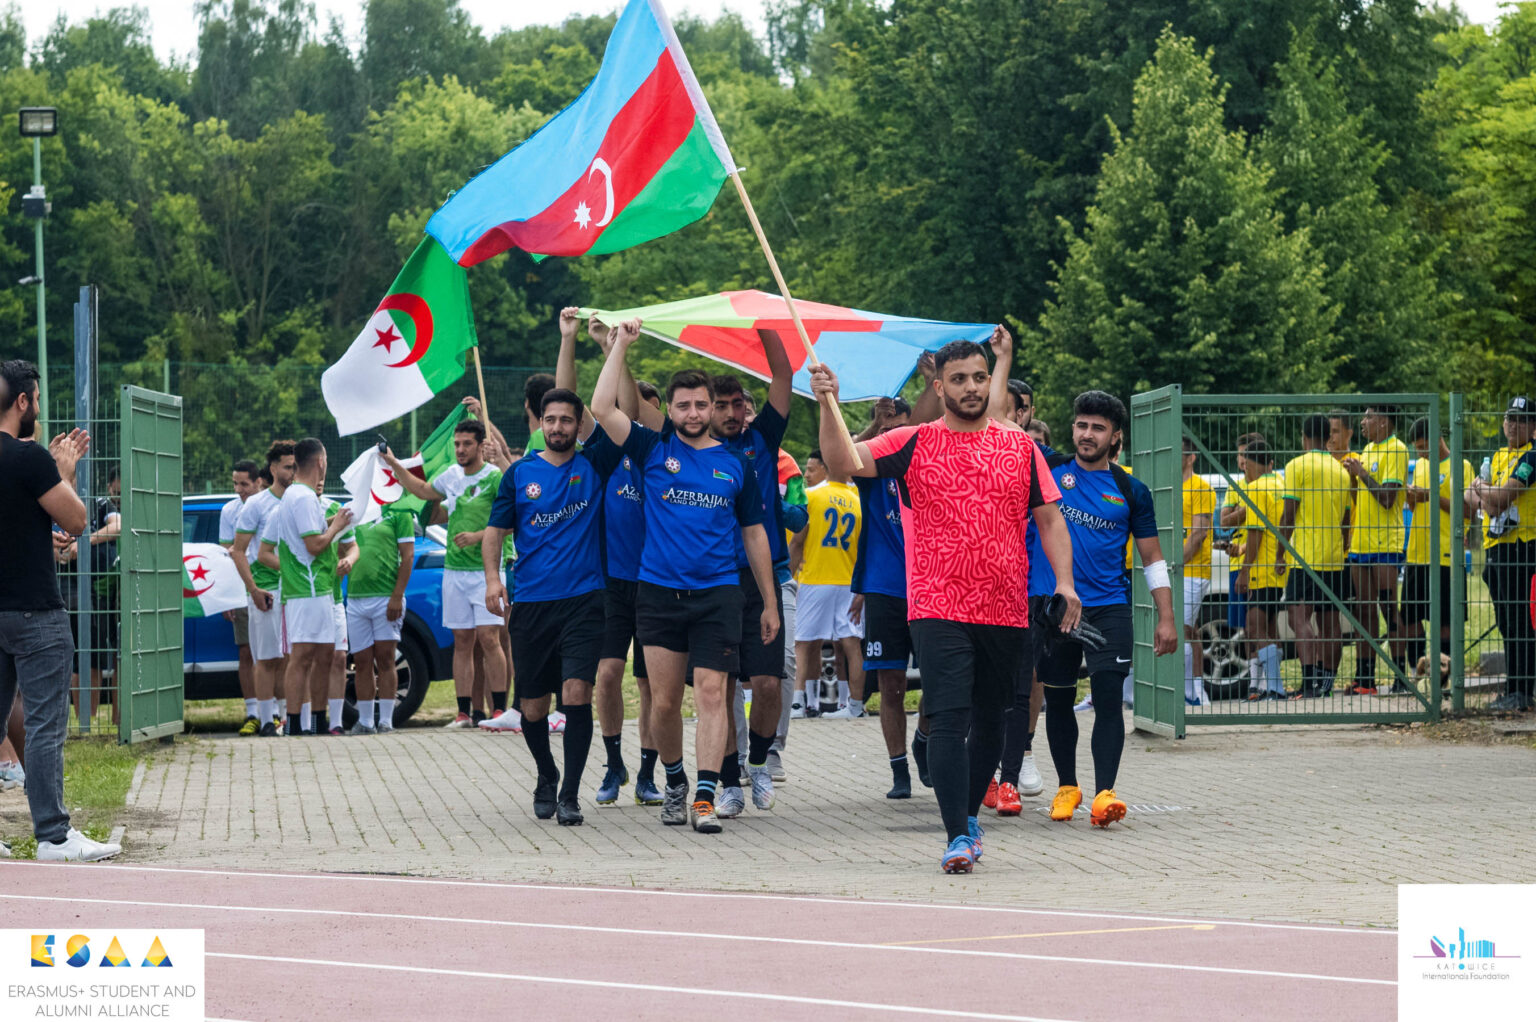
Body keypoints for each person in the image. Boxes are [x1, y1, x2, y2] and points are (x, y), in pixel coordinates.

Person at [810, 337, 1079, 875]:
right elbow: (843, 462)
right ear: (939, 386)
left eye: (980, 377)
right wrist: (827, 403)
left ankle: (968, 820)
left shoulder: (1020, 446)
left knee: (992, 719)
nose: (972, 388)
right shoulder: (911, 441)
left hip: (1004, 607)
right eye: (959, 379)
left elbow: (1050, 518)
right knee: (950, 715)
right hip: (936, 604)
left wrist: (1066, 584)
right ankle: (957, 832)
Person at [592, 321, 780, 834]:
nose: (694, 414)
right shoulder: (652, 450)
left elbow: (756, 534)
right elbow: (603, 408)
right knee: (667, 702)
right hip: (657, 594)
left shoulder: (735, 464)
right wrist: (621, 347)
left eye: (701, 405)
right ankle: (673, 780)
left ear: (710, 409)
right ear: (669, 411)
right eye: (684, 406)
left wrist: (768, 602)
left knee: (714, 694)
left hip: (719, 594)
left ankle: (703, 793)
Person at [1032, 391, 1177, 827]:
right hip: (1055, 607)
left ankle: (1104, 793)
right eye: (1081, 425)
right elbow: (1001, 422)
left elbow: (1152, 558)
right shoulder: (1050, 471)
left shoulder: (1131, 489)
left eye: (1097, 427)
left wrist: (1166, 616)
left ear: (1116, 436)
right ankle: (1066, 786)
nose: (1086, 434)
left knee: (1110, 701)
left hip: (1108, 608)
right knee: (1057, 700)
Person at [484, 387, 626, 825]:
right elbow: (494, 532)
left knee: (576, 694)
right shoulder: (518, 475)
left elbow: (609, 413)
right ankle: (546, 774)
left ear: (578, 423)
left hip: (585, 601)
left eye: (567, 420)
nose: (558, 427)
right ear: (541, 424)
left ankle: (569, 794)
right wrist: (492, 580)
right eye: (551, 420)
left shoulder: (596, 463)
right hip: (530, 604)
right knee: (532, 708)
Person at [0, 358, 121, 861]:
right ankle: (52, 835)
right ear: (23, 401)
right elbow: (74, 519)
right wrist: (63, 470)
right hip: (34, 612)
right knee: (48, 724)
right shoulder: (30, 459)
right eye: (38, 400)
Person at [704, 332, 793, 816]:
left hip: (764, 583)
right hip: (714, 583)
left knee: (767, 685)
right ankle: (727, 780)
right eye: (723, 405)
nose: (733, 413)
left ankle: (758, 763)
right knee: (719, 686)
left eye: (739, 404)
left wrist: (767, 325)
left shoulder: (762, 440)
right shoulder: (694, 449)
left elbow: (784, 376)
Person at [385, 419, 508, 728]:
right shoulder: (451, 476)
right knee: (462, 641)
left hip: (487, 572)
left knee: (490, 639)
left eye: (467, 444)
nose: (460, 449)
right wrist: (394, 464)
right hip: (454, 572)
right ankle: (464, 713)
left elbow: (512, 521)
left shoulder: (494, 478)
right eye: (457, 444)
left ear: (481, 446)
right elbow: (424, 491)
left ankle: (499, 711)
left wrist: (479, 536)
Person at [849, 397, 927, 798]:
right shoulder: (872, 472)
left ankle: (925, 739)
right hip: (884, 588)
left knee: (940, 679)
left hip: (929, 587)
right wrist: (871, 428)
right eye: (883, 428)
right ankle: (899, 770)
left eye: (896, 426)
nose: (888, 433)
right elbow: (841, 458)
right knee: (891, 683)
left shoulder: (926, 460)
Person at [259, 438, 354, 735]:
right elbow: (313, 545)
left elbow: (307, 534)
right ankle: (297, 724)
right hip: (307, 588)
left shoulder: (299, 496)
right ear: (321, 462)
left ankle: (316, 719)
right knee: (302, 657)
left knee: (325, 654)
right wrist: (337, 526)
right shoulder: (301, 496)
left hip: (319, 588)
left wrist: (330, 521)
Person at [1465, 396, 1536, 711]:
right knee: (1506, 622)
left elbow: (1505, 497)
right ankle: (1512, 687)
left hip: (1523, 547)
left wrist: (1484, 492)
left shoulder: (1532, 457)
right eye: (1510, 418)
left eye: (1522, 420)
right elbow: (1470, 497)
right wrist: (1486, 496)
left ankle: (1522, 690)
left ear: (1533, 426)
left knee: (1522, 622)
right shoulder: (1496, 456)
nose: (1514, 425)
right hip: (1497, 549)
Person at [1280, 414, 1355, 698]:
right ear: (1328, 437)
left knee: (1298, 618)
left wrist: (1279, 553)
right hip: (1334, 556)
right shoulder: (1341, 471)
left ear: (1304, 436)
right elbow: (1347, 519)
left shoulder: (1296, 466)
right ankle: (1326, 682)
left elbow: (1289, 515)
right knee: (1330, 622)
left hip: (1305, 557)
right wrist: (1343, 545)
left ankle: (1309, 681)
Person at [790, 449, 865, 726]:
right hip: (848, 580)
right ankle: (855, 705)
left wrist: (789, 576)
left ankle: (798, 702)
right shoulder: (857, 501)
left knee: (802, 642)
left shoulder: (812, 497)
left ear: (826, 466)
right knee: (852, 644)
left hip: (816, 578)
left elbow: (797, 541)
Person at [1342, 406, 1410, 694]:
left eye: (1368, 417)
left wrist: (1361, 473)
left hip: (1385, 544)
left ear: (1383, 421)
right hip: (1361, 543)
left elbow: (1386, 498)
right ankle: (1365, 678)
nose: (1363, 422)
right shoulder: (1367, 450)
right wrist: (1353, 478)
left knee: (1388, 609)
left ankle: (1401, 676)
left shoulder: (1396, 449)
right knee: (1363, 610)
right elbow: (1363, 497)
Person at [233, 441, 296, 736]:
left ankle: (287, 718)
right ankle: (266, 720)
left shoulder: (300, 499)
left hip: (295, 592)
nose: (293, 471)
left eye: (296, 466)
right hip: (266, 593)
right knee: (266, 658)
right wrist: (254, 590)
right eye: (287, 466)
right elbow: (238, 551)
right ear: (273, 469)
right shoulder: (256, 505)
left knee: (289, 658)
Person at [1405, 418, 1473, 682]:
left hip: (1445, 553)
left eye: (1424, 447)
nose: (1421, 453)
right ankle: (1416, 670)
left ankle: (1443, 677)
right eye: (1417, 449)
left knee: (1445, 619)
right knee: (1409, 616)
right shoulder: (1420, 465)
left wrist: (1430, 495)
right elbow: (1417, 507)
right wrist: (1413, 499)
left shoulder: (1460, 465)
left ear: (1438, 439)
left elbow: (1466, 509)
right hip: (1417, 553)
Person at [345, 506, 414, 734]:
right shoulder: (356, 508)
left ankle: (385, 721)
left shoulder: (399, 512)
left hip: (386, 597)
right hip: (356, 598)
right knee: (362, 661)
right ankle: (365, 721)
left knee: (385, 659)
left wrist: (396, 595)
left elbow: (408, 556)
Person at [1228, 440, 1289, 699]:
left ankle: (1275, 686)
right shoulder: (1280, 485)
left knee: (1253, 628)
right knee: (1270, 627)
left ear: (1250, 462)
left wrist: (1244, 570)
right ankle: (1269, 686)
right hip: (1278, 569)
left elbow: (1255, 534)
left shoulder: (1256, 489)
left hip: (1261, 570)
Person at [221, 459, 263, 734]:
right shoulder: (229, 511)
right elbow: (227, 553)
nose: (239, 489)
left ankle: (279, 713)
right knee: (246, 651)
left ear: (259, 482)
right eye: (236, 483)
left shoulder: (273, 505)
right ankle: (252, 713)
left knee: (276, 655)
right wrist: (229, 596)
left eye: (244, 484)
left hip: (272, 587)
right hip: (242, 591)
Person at [1178, 436, 1215, 706]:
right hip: (1172, 568)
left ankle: (1195, 691)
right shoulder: (1166, 487)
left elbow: (1199, 534)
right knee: (1184, 629)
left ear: (1191, 457)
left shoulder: (1201, 488)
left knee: (1185, 628)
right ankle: (1184, 690)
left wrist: (1174, 563)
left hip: (1192, 570)